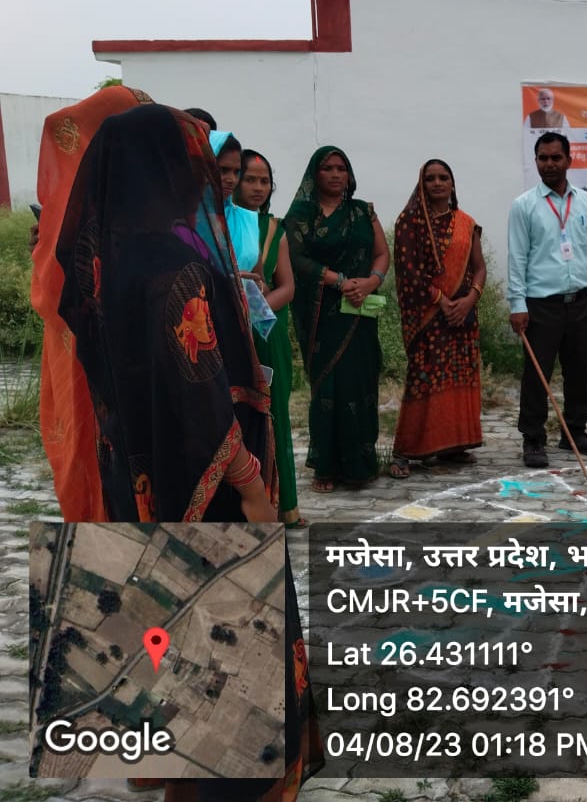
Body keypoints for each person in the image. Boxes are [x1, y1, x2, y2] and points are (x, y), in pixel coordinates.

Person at [55, 104, 324, 799]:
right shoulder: (176, 265)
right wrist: (252, 484)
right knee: (229, 622)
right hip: (203, 480)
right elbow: (200, 391)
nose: (204, 174)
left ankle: (170, 768)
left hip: (138, 473)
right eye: (192, 160)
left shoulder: (103, 260)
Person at [32, 85, 152, 522]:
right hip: (93, 356)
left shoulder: (135, 196)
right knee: (99, 458)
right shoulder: (80, 206)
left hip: (111, 354)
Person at [284, 146, 389, 491]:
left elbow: (381, 253)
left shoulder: (363, 211)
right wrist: (338, 281)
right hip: (321, 313)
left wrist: (370, 282)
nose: (335, 174)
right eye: (327, 168)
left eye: (341, 168)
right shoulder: (301, 214)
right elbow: (295, 258)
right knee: (328, 386)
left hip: (360, 309)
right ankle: (326, 467)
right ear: (314, 174)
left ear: (349, 174)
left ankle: (359, 465)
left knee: (359, 382)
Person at [508, 132, 587, 468]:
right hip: (541, 305)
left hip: (581, 302)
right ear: (536, 161)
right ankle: (533, 439)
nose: (549, 164)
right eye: (543, 158)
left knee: (578, 371)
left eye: (556, 158)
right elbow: (517, 258)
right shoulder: (524, 205)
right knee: (537, 375)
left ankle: (575, 433)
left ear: (569, 160)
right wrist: (517, 304)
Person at [390, 159, 486, 476]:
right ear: (422, 183)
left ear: (452, 183)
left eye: (443, 177)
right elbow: (408, 273)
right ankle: (405, 451)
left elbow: (479, 267)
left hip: (462, 316)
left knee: (457, 377)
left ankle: (452, 445)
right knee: (424, 380)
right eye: (430, 178)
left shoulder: (466, 223)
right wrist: (442, 301)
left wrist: (470, 299)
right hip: (428, 316)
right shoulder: (409, 223)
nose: (437, 183)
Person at [235, 149, 304, 528]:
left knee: (273, 415)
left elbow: (288, 287)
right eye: (250, 179)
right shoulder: (220, 223)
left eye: (265, 181)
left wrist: (252, 311)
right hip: (226, 330)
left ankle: (285, 506)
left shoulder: (275, 229)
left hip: (266, 329)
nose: (258, 187)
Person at [209, 130, 260, 274]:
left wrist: (256, 284)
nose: (231, 179)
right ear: (205, 167)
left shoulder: (247, 220)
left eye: (236, 172)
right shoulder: (188, 219)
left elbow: (259, 278)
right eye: (223, 170)